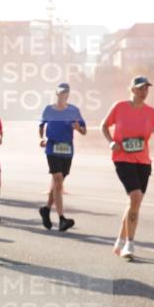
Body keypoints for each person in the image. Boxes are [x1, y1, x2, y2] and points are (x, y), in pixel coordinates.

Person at [100, 75, 154, 259]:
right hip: (122, 158)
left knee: (134, 203)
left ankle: (119, 241)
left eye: (146, 88)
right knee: (135, 197)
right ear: (132, 89)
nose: (144, 91)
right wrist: (111, 142)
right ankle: (129, 244)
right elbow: (104, 126)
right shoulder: (119, 107)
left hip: (143, 162)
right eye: (140, 88)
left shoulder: (152, 112)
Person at [38, 82, 86, 231]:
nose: (62, 95)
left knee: (57, 184)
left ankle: (46, 209)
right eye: (60, 92)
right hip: (52, 148)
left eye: (65, 93)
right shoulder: (48, 109)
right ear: (56, 93)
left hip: (67, 150)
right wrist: (41, 138)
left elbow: (84, 130)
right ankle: (62, 219)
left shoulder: (73, 110)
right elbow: (41, 125)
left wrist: (78, 128)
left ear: (68, 94)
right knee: (58, 181)